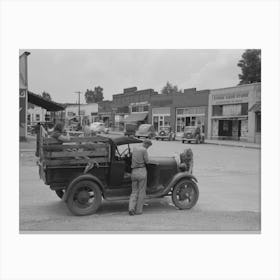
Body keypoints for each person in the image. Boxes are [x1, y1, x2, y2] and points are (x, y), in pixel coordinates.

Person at [128, 139, 152, 216]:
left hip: (134, 172)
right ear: (147, 144)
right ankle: (138, 210)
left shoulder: (135, 148)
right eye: (148, 146)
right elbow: (147, 161)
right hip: (141, 171)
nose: (148, 148)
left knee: (134, 191)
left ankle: (131, 208)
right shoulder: (144, 150)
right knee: (141, 191)